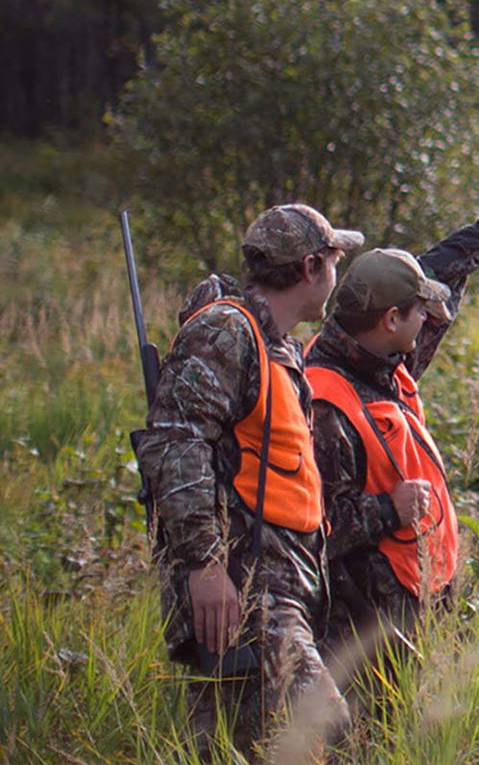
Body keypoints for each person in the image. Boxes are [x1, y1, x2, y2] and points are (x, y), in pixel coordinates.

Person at [305, 170, 479, 682]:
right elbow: (310, 531)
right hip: (363, 633)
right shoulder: (325, 403)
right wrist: (388, 509)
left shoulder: (378, 355)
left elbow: (427, 273)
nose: (433, 317)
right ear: (390, 320)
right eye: (420, 311)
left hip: (411, 605)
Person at [135, 204, 365, 762]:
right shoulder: (228, 331)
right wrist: (206, 565)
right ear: (310, 267)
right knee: (329, 730)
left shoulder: (275, 344)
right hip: (246, 586)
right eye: (335, 259)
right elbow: (176, 443)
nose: (337, 273)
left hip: (276, 587)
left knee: (236, 745)